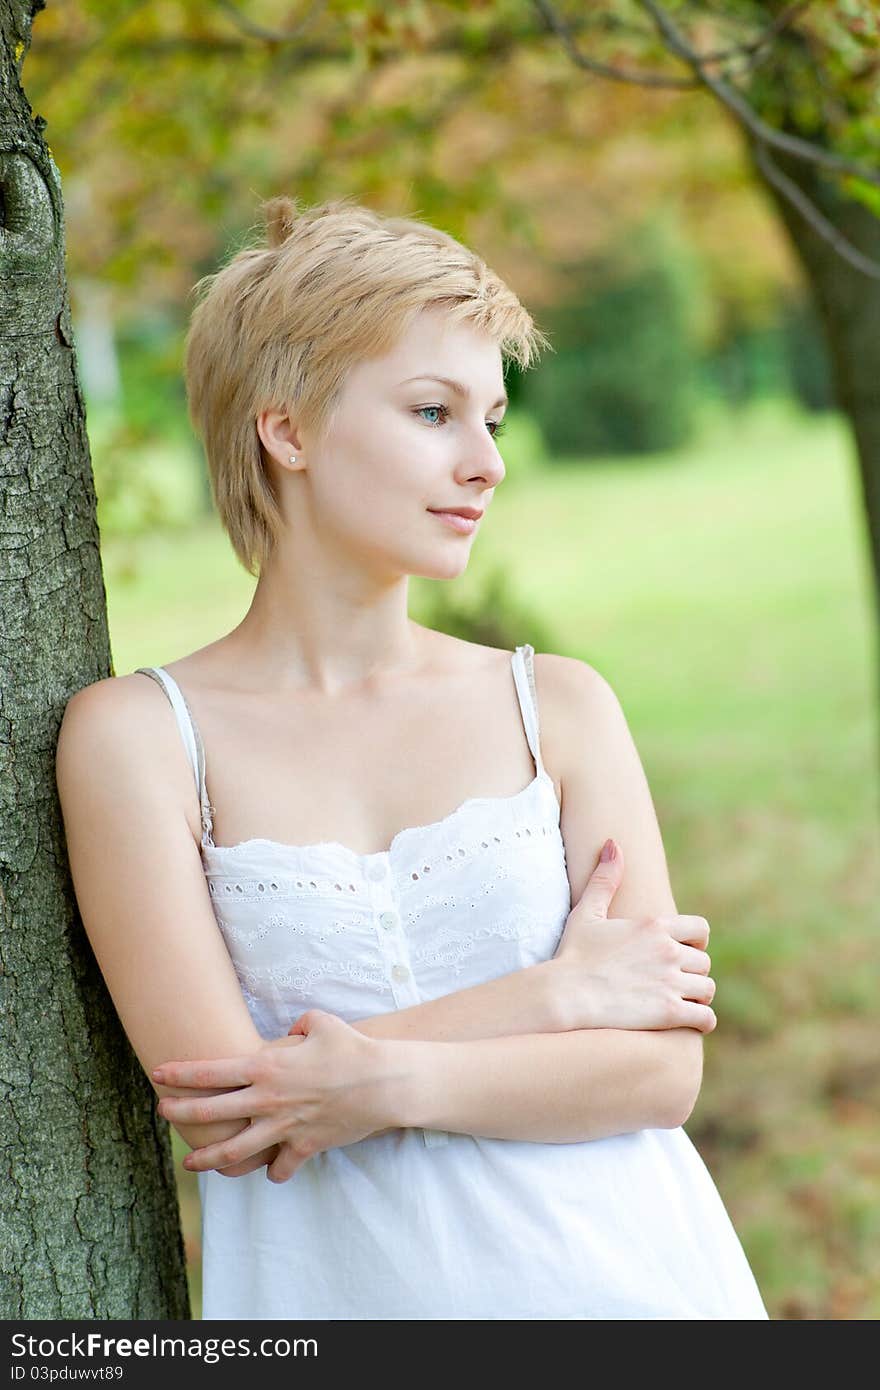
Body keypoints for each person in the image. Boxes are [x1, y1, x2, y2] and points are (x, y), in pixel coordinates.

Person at [55, 195, 768, 1320]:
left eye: (491, 416)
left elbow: (658, 1072)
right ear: (285, 430)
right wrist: (555, 994)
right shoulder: (137, 739)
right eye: (434, 411)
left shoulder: (558, 707)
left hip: (631, 1284)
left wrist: (380, 1080)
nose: (486, 462)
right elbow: (227, 1106)